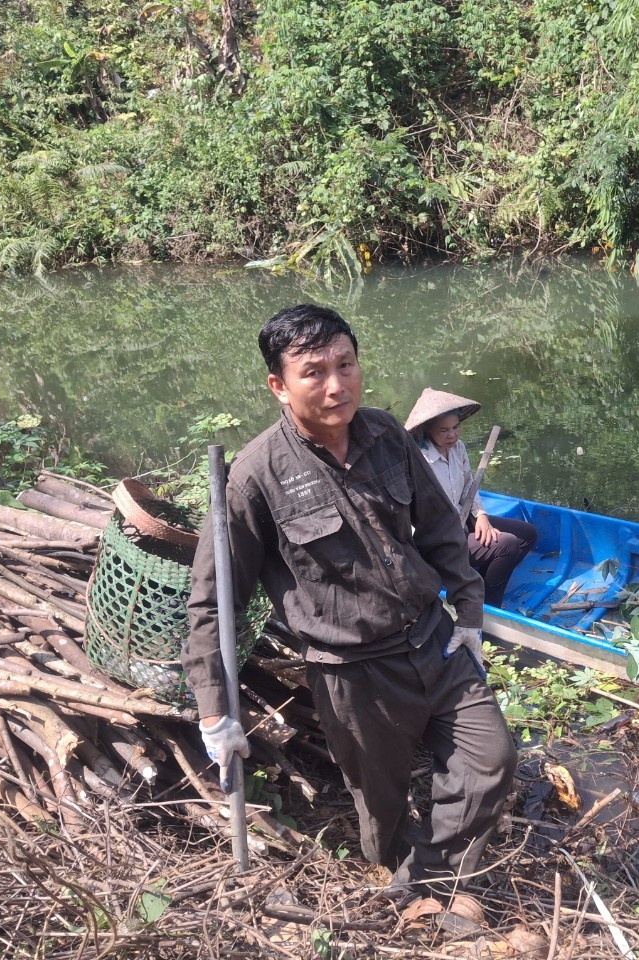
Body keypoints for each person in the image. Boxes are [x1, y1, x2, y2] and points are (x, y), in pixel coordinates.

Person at [182, 304, 518, 904]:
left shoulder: (388, 433)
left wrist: (469, 611)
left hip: (433, 641)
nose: (336, 385)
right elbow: (213, 601)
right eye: (313, 372)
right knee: (382, 808)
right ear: (278, 386)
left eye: (346, 364)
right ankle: (398, 874)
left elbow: (441, 528)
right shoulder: (254, 478)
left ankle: (426, 881)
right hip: (353, 675)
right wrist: (213, 708)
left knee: (491, 761)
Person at [404, 388, 538, 609]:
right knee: (507, 545)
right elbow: (414, 516)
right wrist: (455, 532)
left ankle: (483, 581)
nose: (452, 435)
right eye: (443, 430)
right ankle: (489, 605)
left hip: (462, 517)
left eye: (456, 427)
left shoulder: (458, 449)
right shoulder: (419, 462)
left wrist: (481, 516)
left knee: (527, 534)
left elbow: (469, 486)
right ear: (427, 430)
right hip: (437, 541)